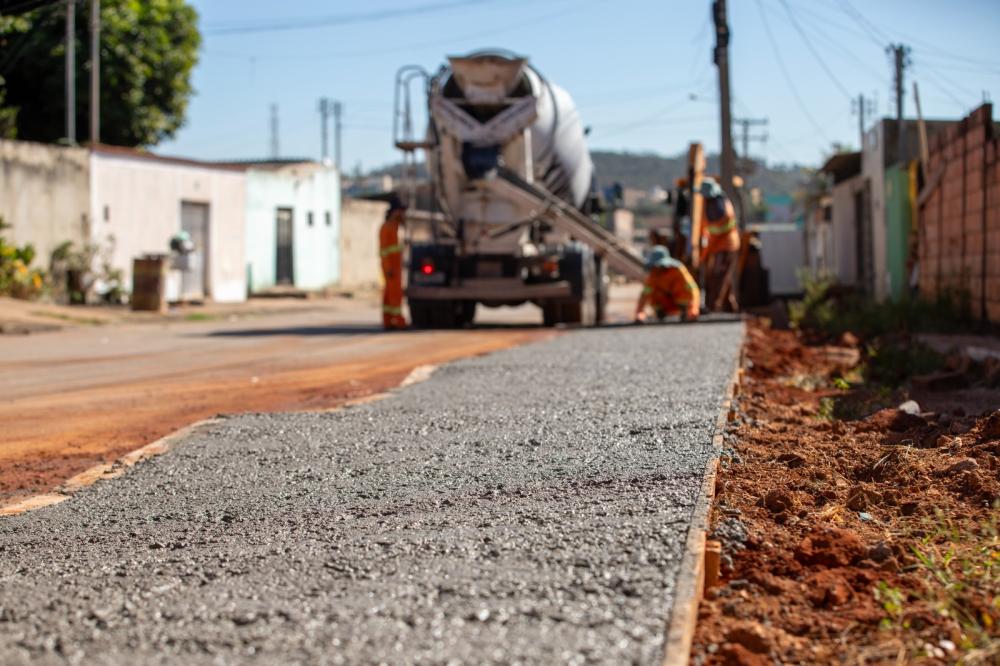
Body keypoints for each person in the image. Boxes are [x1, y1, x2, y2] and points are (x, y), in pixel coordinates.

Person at [699, 177, 741, 312]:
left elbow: (715, 236)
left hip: (726, 247)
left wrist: (704, 254)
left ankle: (712, 306)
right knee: (724, 276)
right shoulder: (719, 202)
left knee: (718, 276)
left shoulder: (718, 209)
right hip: (723, 246)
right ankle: (731, 308)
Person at [634, 245, 700, 323]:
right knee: (653, 292)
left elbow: (693, 289)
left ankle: (686, 312)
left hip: (682, 301)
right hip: (665, 304)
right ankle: (661, 312)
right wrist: (639, 313)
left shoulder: (678, 270)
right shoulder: (654, 274)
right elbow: (645, 294)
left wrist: (694, 309)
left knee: (684, 292)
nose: (657, 268)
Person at [379, 198, 407, 330]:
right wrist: (389, 268)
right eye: (401, 212)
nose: (402, 215)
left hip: (395, 266)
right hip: (391, 267)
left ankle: (388, 320)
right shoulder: (387, 227)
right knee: (395, 294)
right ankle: (398, 320)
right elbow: (384, 251)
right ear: (395, 212)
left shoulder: (395, 227)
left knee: (389, 294)